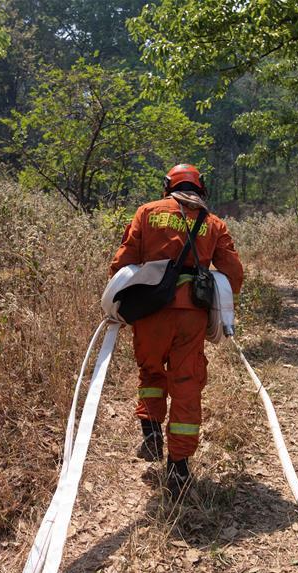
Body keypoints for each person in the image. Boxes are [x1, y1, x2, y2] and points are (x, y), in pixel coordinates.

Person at [110, 164, 244, 497]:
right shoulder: (213, 223)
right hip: (192, 314)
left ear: (167, 186)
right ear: (201, 189)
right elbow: (234, 274)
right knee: (186, 383)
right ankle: (179, 467)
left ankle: (151, 436)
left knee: (151, 372)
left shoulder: (147, 212)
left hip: (150, 309)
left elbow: (122, 265)